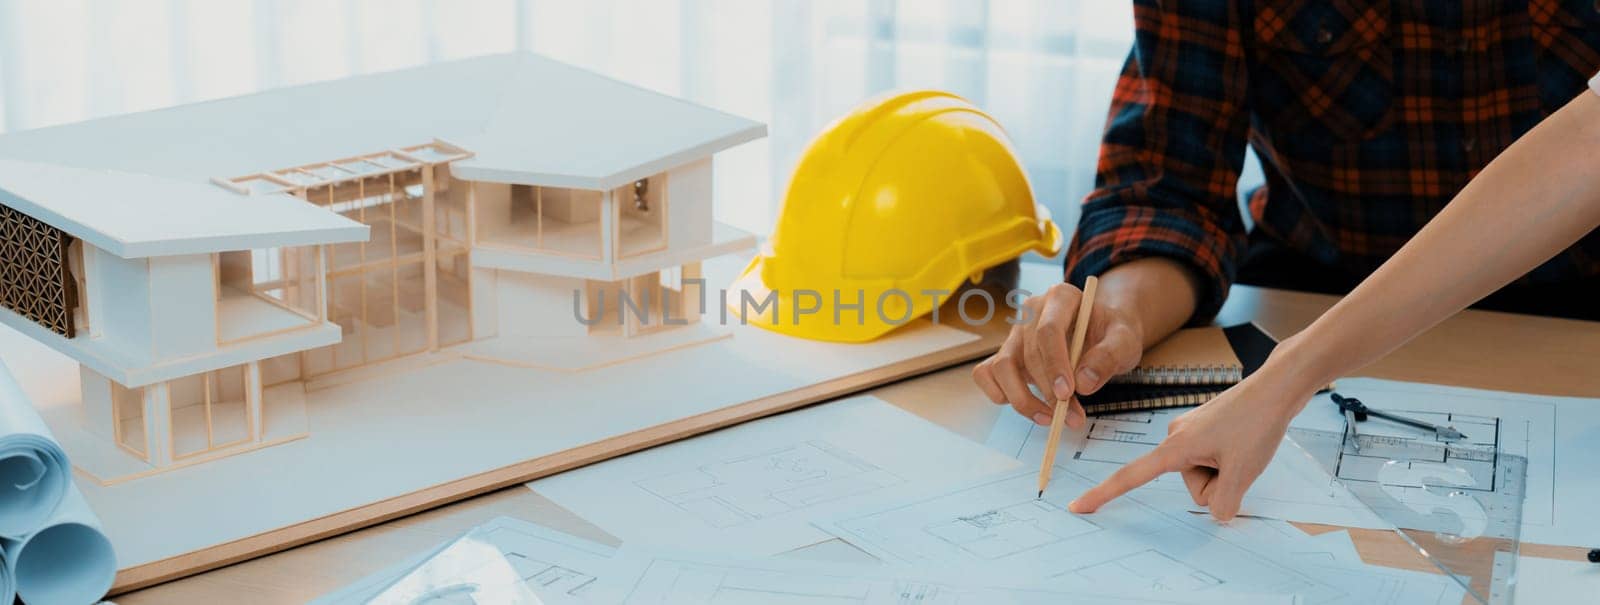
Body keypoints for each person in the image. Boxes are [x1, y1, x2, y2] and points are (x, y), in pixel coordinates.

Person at [972, 2, 1600, 519]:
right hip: (1313, 286)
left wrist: (1291, 372)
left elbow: (1588, 149)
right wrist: (1117, 313)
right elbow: (1168, 184)